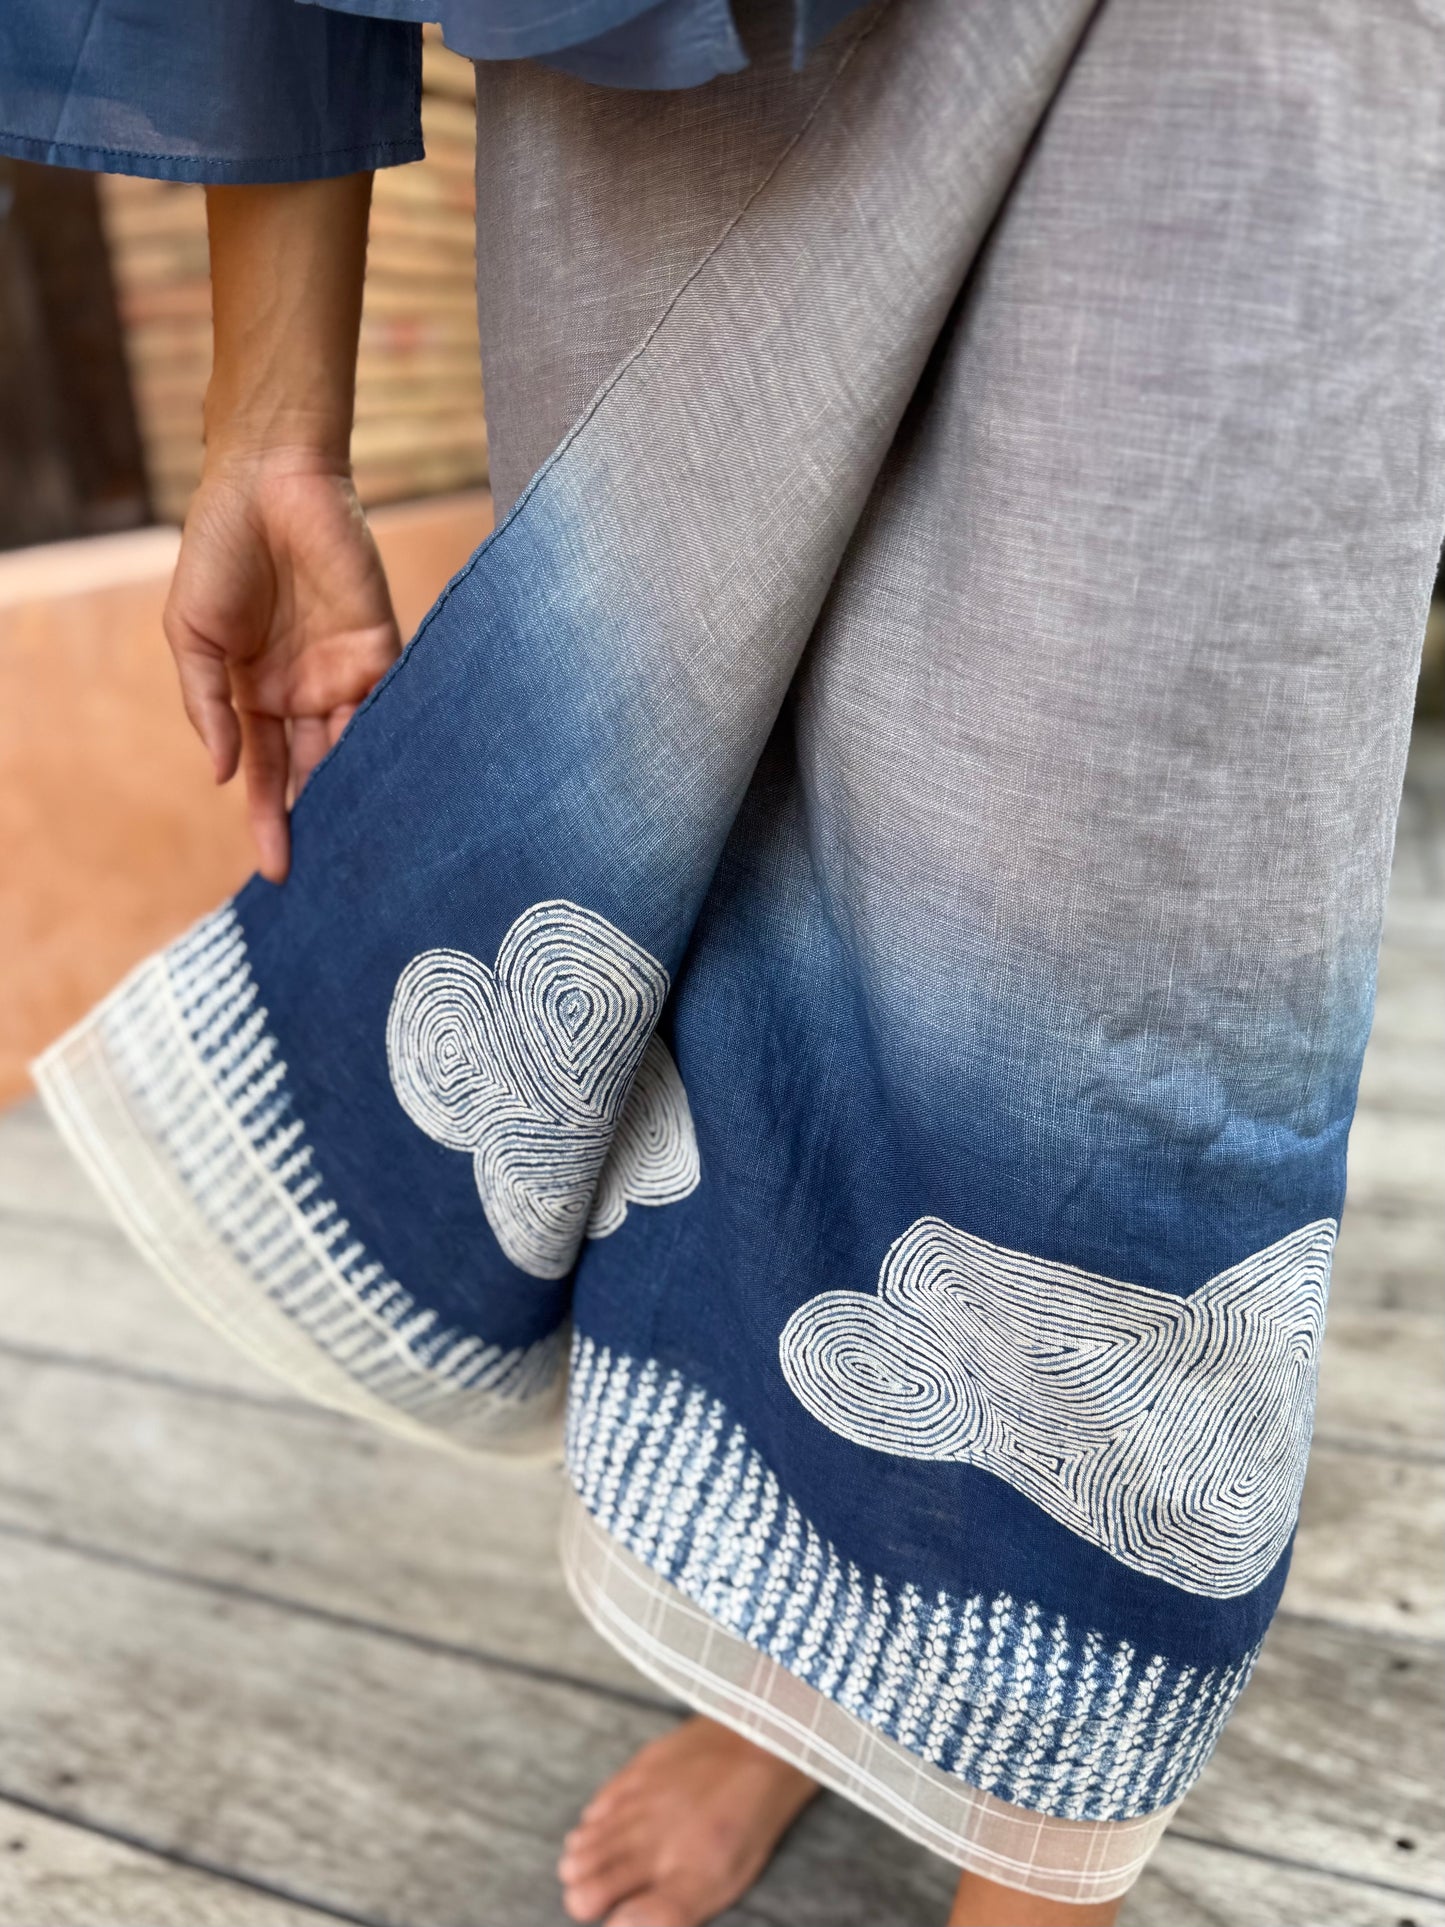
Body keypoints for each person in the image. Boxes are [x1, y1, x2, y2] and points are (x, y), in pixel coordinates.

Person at [5, 3, 1444, 1923]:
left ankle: (1042, 1842)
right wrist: (274, 426)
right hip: (673, 43)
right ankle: (792, 1648)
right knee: (722, 844)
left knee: (1139, 920)